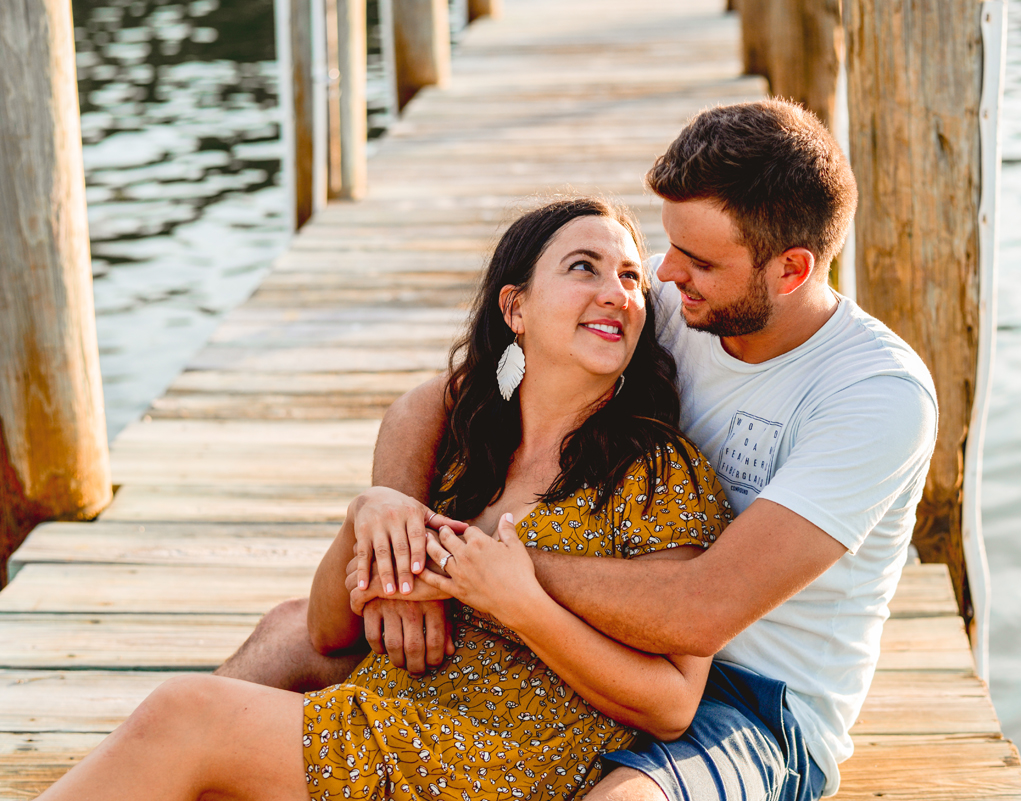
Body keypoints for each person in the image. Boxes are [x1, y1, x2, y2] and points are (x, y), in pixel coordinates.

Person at [221, 98, 939, 801]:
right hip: (578, 631)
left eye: (694, 259)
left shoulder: (875, 396)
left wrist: (488, 566)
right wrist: (400, 528)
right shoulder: (671, 300)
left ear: (791, 270)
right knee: (292, 631)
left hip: (751, 700)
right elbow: (430, 403)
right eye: (667, 247)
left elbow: (703, 608)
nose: (661, 274)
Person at [34, 197, 732, 801]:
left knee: (187, 713)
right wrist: (364, 519)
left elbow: (671, 705)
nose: (617, 291)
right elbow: (329, 629)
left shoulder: (658, 470)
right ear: (515, 307)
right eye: (585, 267)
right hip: (393, 713)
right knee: (203, 732)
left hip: (497, 761)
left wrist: (521, 602)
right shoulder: (471, 443)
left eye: (633, 277)